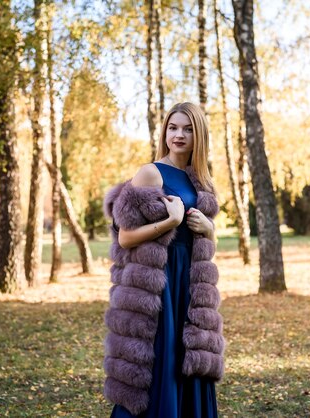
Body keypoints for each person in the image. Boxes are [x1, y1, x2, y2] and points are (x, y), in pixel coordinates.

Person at [103, 102, 225, 418]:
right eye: (173, 128)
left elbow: (203, 238)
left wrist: (209, 229)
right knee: (158, 363)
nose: (179, 135)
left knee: (191, 357)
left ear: (199, 135)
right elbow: (125, 236)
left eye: (187, 129)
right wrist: (169, 223)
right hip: (159, 286)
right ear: (164, 132)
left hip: (191, 286)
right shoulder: (151, 173)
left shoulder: (201, 180)